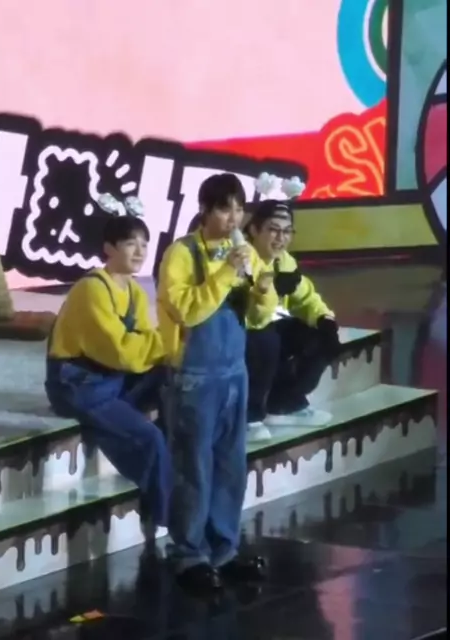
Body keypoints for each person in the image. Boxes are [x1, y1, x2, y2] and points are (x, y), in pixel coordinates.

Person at [157, 173, 278, 592]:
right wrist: (227, 272)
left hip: (233, 372)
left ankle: (224, 550)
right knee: (193, 467)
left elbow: (260, 318)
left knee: (230, 467)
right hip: (194, 375)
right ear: (205, 210)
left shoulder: (242, 252)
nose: (234, 218)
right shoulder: (181, 254)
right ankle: (188, 554)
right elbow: (186, 310)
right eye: (225, 209)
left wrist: (263, 290)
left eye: (239, 209)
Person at [45, 194, 172, 546]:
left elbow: (144, 342)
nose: (140, 251)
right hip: (78, 384)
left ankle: (144, 443)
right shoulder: (92, 289)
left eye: (144, 244)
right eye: (131, 243)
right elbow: (123, 352)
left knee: (171, 372)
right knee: (150, 438)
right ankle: (165, 517)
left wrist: (166, 347)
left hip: (109, 378)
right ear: (108, 248)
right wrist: (168, 341)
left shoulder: (133, 290)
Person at [244, 199, 341, 442]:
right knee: (266, 341)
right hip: (242, 330)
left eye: (287, 231)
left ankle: (284, 403)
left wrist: (325, 319)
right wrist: (270, 290)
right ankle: (247, 417)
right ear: (254, 229)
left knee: (319, 338)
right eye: (274, 230)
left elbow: (305, 296)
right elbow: (248, 313)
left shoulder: (284, 261)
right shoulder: (241, 259)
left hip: (268, 327)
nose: (281, 238)